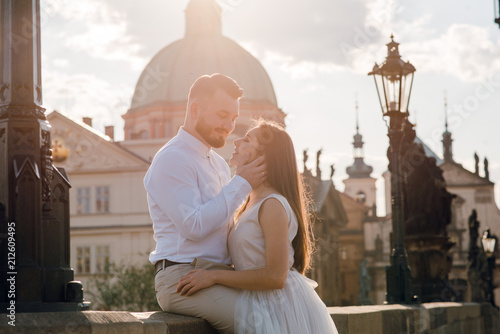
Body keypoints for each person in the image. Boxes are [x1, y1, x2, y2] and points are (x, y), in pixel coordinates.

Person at [177, 120, 338, 333]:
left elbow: (275, 276)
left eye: (247, 139)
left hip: (278, 305)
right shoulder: (250, 202)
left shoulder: (272, 204)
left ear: (263, 158)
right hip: (261, 301)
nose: (237, 141)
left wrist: (213, 276)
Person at [144, 73, 266, 333]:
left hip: (219, 276)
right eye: (222, 115)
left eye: (233, 118)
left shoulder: (220, 164)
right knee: (259, 322)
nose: (229, 126)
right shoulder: (172, 159)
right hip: (182, 277)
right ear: (194, 109)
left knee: (278, 309)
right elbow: (194, 225)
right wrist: (242, 182)